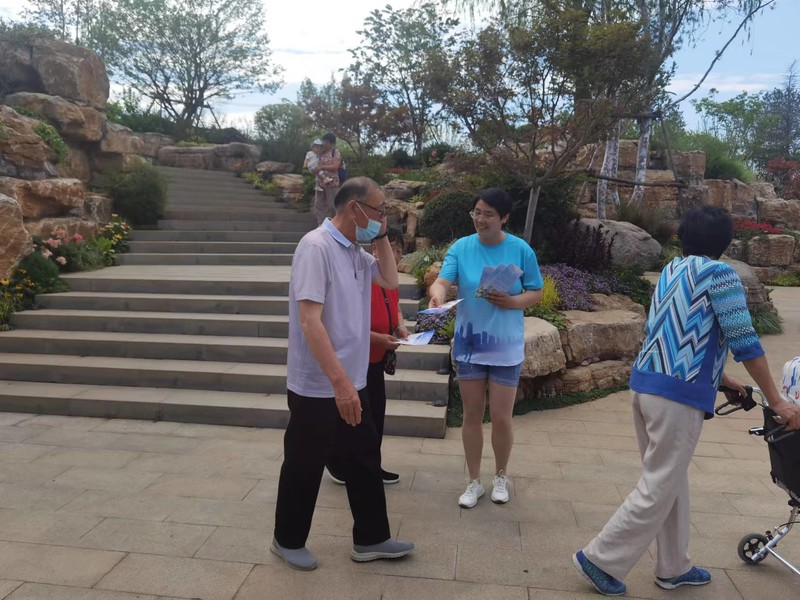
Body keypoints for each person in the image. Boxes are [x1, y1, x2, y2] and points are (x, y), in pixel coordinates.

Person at [572, 205, 800, 596]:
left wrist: (723, 380)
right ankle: (600, 558)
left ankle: (673, 566)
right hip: (675, 397)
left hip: (646, 385)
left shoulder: (672, 270)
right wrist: (778, 401)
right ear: (725, 242)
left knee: (669, 480)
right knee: (659, 484)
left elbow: (672, 333)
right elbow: (745, 342)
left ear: (683, 237)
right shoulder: (720, 274)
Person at [271, 177, 414, 571]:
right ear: (355, 208)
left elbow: (389, 279)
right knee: (304, 462)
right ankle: (287, 540)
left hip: (354, 378)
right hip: (319, 384)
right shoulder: (316, 247)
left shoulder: (354, 250)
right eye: (379, 210)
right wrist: (339, 383)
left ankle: (372, 538)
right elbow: (310, 321)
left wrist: (380, 235)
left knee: (364, 458)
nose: (383, 217)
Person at [427, 188, 543, 508]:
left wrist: (512, 301)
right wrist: (437, 294)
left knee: (502, 418)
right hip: (470, 345)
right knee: (472, 415)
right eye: (476, 213)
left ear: (504, 218)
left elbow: (535, 291)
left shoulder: (520, 249)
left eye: (488, 214)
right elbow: (443, 280)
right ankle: (474, 481)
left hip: (505, 346)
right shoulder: (461, 247)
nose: (480, 219)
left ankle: (501, 476)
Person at [328, 228, 408, 486]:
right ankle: (340, 465)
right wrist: (379, 338)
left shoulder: (389, 278)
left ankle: (372, 465)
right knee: (356, 417)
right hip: (357, 361)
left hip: (377, 360)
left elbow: (395, 307)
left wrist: (399, 327)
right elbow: (348, 325)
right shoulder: (364, 277)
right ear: (375, 249)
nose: (395, 255)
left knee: (376, 415)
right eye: (391, 249)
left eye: (399, 250)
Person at [311, 132, 341, 225]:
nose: (325, 144)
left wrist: (322, 167)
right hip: (320, 183)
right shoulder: (320, 152)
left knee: (332, 206)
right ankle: (321, 225)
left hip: (332, 183)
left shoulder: (335, 152)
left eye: (327, 142)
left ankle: (333, 225)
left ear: (332, 143)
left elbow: (335, 166)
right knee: (318, 205)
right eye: (324, 141)